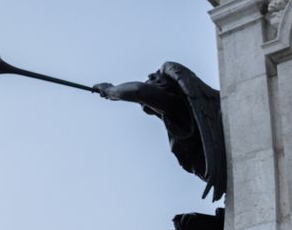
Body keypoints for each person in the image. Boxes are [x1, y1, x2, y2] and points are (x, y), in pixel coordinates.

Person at [93, 63, 227, 202]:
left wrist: (110, 91)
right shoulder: (179, 116)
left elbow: (140, 91)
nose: (142, 105)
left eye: (149, 81)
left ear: (160, 83)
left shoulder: (178, 107)